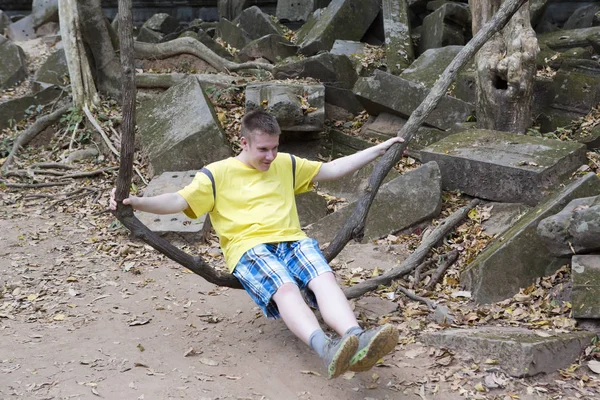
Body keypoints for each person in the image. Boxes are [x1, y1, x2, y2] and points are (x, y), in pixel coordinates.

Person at [110, 110, 403, 378]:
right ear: (244, 142)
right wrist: (138, 203)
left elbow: (332, 169)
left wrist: (378, 149)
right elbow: (178, 200)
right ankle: (325, 348)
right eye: (263, 149)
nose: (271, 156)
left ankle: (357, 337)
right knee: (285, 287)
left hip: (292, 239)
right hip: (248, 247)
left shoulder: (286, 163)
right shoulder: (216, 173)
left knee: (323, 277)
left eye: (275, 148)